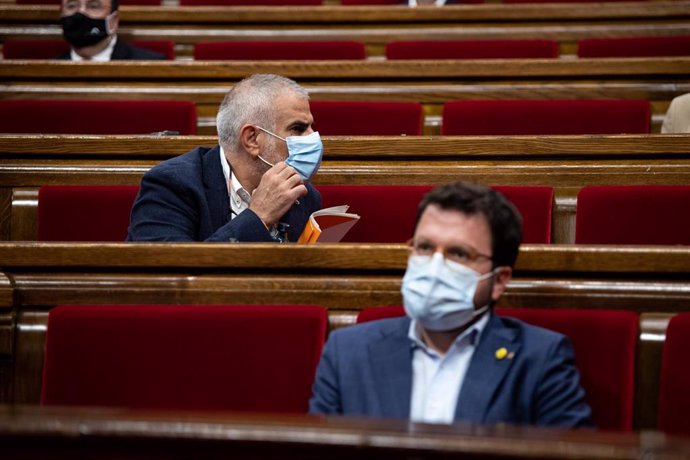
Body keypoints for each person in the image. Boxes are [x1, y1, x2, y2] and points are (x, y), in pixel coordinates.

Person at [309, 181, 593, 428]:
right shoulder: (347, 352)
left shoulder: (541, 359)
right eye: (424, 248)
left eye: (459, 253)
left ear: (498, 280)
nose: (434, 266)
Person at [127, 73, 322, 242]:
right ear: (252, 138)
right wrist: (258, 216)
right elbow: (169, 272)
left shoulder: (303, 195)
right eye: (298, 129)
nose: (313, 138)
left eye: (311, 127)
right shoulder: (172, 185)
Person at [58, 0, 165, 61]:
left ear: (113, 21)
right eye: (71, 6)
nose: (80, 13)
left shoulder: (150, 65)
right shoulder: (49, 68)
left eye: (94, 6)